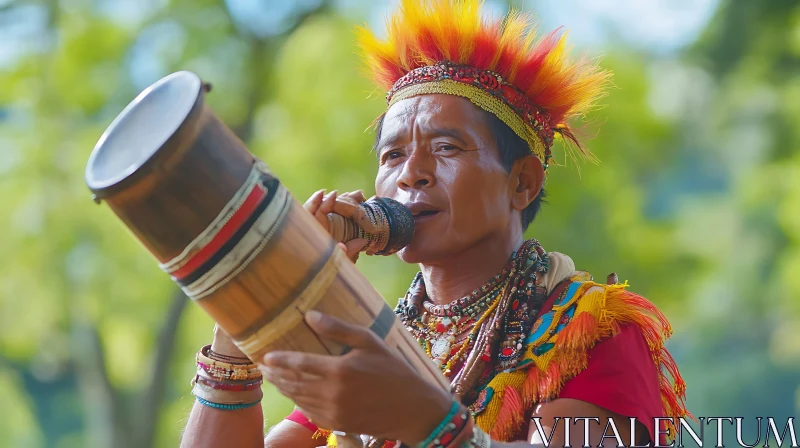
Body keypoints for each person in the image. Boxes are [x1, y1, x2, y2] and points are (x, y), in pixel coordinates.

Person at [180, 0, 689, 447]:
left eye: (445, 148)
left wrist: (428, 422)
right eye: (392, 154)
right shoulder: (373, 343)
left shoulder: (590, 332)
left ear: (523, 184)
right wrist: (245, 318)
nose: (411, 175)